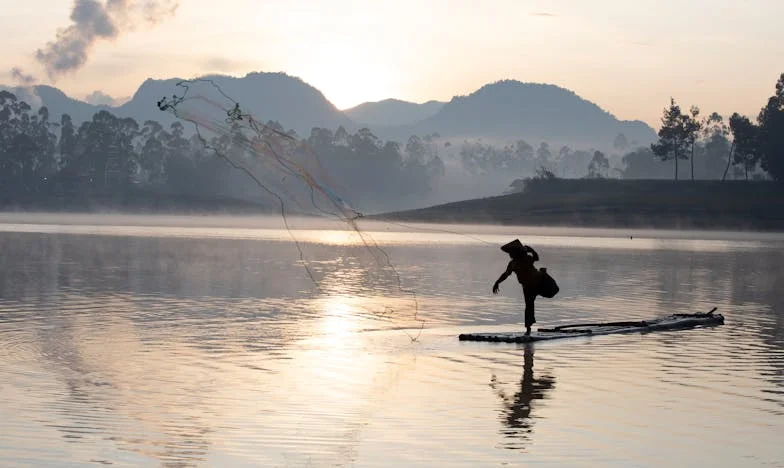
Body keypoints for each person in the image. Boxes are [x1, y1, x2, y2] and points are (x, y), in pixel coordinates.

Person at [492, 239, 542, 336]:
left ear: (516, 253)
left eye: (512, 253)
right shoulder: (513, 263)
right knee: (529, 305)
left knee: (530, 304)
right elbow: (506, 274)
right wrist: (497, 282)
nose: (510, 255)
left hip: (537, 282)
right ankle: (528, 328)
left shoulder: (526, 259)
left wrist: (532, 250)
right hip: (528, 286)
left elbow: (536, 258)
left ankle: (528, 328)